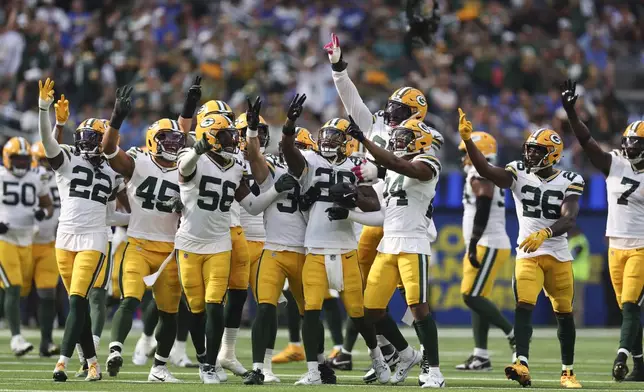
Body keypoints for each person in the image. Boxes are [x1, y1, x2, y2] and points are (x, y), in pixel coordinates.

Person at [325, 31, 443, 374]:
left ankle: (423, 359)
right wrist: (338, 67)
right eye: (391, 107)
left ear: (416, 115)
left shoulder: (426, 137)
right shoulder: (375, 124)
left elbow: (405, 168)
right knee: (360, 296)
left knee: (415, 297)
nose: (391, 114)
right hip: (374, 211)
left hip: (406, 218)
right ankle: (391, 351)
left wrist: (372, 168)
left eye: (400, 110)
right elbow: (351, 100)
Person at [458, 108, 583, 389]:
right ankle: (522, 363)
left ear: (552, 153)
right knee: (523, 306)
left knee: (564, 313)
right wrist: (468, 142)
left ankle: (568, 371)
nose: (530, 155)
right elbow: (486, 170)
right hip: (528, 253)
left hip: (558, 254)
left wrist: (546, 232)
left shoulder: (571, 180)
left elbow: (570, 216)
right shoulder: (518, 171)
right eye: (529, 149)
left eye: (537, 151)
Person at [175, 112, 296, 384]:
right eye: (226, 134)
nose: (232, 139)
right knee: (196, 309)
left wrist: (276, 190)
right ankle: (205, 357)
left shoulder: (233, 167)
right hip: (189, 243)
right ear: (209, 138)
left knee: (215, 305)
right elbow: (183, 169)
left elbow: (252, 206)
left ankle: (209, 365)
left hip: (220, 242)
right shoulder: (192, 158)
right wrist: (197, 149)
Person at [281, 114, 387, 385]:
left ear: (347, 142)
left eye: (335, 136)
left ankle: (379, 361)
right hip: (315, 247)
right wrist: (289, 128)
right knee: (312, 311)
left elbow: (374, 206)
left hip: (346, 248)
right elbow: (289, 152)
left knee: (358, 313)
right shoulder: (311, 160)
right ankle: (314, 371)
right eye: (325, 135)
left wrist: (354, 196)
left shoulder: (358, 165)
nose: (328, 140)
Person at [342, 117, 445, 387]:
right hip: (389, 243)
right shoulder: (393, 173)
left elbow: (399, 164)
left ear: (420, 141)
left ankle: (433, 370)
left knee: (418, 307)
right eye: (397, 138)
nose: (398, 142)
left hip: (413, 243)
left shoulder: (429, 163)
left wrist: (365, 141)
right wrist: (351, 205)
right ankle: (406, 353)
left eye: (404, 138)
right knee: (371, 309)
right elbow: (382, 214)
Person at [38, 78, 127, 382]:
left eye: (94, 138)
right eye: (85, 137)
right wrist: (45, 112)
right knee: (79, 306)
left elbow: (113, 216)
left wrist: (138, 222)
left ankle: (61, 362)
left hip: (93, 238)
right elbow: (47, 144)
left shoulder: (114, 172)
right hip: (64, 238)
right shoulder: (68, 158)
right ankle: (92, 363)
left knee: (77, 300)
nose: (87, 143)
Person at [561, 79, 644, 382]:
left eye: (637, 142)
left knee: (632, 304)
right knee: (626, 308)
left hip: (642, 246)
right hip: (615, 246)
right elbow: (586, 140)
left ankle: (622, 355)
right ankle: (640, 362)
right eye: (629, 140)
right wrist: (571, 112)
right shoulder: (614, 164)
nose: (630, 145)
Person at [102, 111, 187, 382]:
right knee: (130, 299)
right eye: (167, 138)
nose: (173, 144)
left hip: (171, 250)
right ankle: (115, 350)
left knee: (169, 312)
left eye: (176, 139)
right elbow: (108, 150)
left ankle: (159, 368)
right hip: (138, 243)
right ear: (152, 139)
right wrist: (116, 120)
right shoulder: (138, 161)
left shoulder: (187, 168)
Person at [456, 132, 515, 370]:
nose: (463, 157)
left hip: (488, 242)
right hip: (485, 243)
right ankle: (481, 355)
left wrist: (473, 241)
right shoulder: (485, 171)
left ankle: (514, 335)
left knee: (471, 296)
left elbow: (484, 200)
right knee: (477, 297)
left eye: (466, 152)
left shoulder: (480, 172)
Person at [0, 136, 54, 357]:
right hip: (5, 240)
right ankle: (16, 338)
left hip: (27, 240)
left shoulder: (36, 178)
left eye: (25, 160)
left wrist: (44, 213)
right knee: (13, 287)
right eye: (17, 160)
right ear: (7, 158)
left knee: (20, 290)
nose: (22, 164)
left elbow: (48, 205)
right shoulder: (1, 176)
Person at [30, 141, 62, 358]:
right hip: (21, 241)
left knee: (48, 293)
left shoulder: (63, 177)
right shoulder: (26, 180)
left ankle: (46, 341)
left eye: (49, 161)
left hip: (50, 241)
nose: (46, 166)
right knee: (13, 290)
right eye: (42, 161)